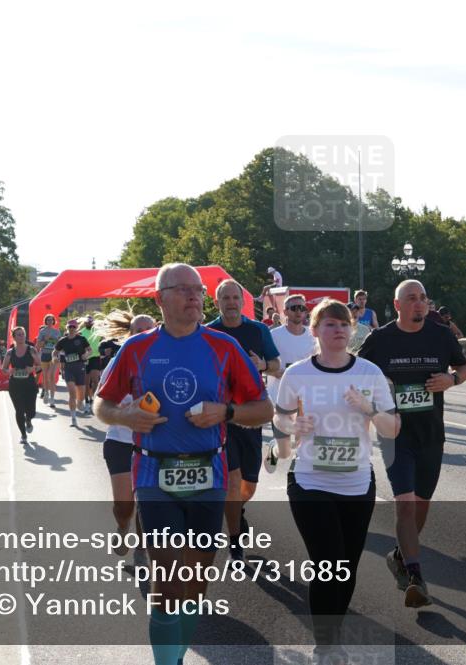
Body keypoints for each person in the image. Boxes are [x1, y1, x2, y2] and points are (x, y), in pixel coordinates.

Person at [94, 263, 271, 665]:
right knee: (167, 578)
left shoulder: (224, 348)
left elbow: (263, 409)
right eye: (183, 289)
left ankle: (173, 651)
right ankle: (168, 662)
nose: (195, 296)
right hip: (155, 474)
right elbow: (102, 404)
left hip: (209, 475)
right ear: (160, 298)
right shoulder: (136, 348)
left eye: (198, 290)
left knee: (195, 584)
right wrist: (126, 417)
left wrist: (224, 412)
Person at [271, 299, 400, 664]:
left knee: (345, 569)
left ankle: (333, 633)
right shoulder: (297, 373)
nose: (339, 330)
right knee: (328, 562)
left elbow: (393, 428)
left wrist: (369, 409)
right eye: (329, 324)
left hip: (356, 483)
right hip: (310, 480)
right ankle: (326, 645)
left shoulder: (369, 372)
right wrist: (293, 426)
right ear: (315, 331)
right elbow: (279, 418)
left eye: (344, 324)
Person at [358, 280, 466, 608]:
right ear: (398, 305)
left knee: (421, 504)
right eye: (412, 299)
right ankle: (415, 575)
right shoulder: (379, 340)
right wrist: (379, 388)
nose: (420, 304)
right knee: (405, 503)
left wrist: (452, 379)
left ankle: (399, 555)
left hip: (431, 433)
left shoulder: (440, 335)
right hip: (396, 435)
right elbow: (360, 373)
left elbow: (462, 367)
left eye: (423, 298)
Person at [206, 279, 281, 560]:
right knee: (232, 480)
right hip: (221, 415)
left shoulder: (258, 330)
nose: (231, 302)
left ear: (242, 300)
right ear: (217, 303)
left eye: (235, 297)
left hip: (251, 413)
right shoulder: (208, 332)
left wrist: (261, 364)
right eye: (224, 298)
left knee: (248, 484)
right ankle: (235, 540)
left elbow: (276, 366)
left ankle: (237, 512)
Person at [96, 310, 157, 559]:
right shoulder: (117, 363)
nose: (143, 336)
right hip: (121, 441)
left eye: (148, 331)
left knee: (147, 501)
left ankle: (142, 547)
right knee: (124, 506)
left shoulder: (166, 361)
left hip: (153, 443)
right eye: (137, 331)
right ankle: (123, 527)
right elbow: (103, 403)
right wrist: (126, 410)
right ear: (129, 336)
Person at [268, 294, 316, 404]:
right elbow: (263, 364)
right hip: (279, 396)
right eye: (294, 308)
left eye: (302, 308)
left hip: (305, 398)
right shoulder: (273, 335)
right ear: (285, 312)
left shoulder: (313, 335)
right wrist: (274, 372)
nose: (298, 311)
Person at [2, 326, 40, 444]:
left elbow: (39, 366)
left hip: (29, 384)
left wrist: (32, 368)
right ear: (14, 337)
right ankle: (23, 435)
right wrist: (9, 371)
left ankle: (28, 419)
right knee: (19, 410)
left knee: (31, 411)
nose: (21, 336)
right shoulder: (10, 352)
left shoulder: (32, 350)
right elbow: (3, 369)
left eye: (23, 334)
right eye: (18, 334)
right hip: (15, 385)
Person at [54, 319, 91, 427]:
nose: (71, 329)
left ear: (76, 328)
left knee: (81, 396)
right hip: (69, 368)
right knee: (72, 393)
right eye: (70, 327)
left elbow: (90, 350)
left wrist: (86, 355)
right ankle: (73, 418)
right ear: (67, 328)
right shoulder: (63, 340)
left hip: (80, 368)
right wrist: (54, 357)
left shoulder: (82, 339)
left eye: (73, 327)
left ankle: (80, 402)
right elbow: (55, 352)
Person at [36, 314, 61, 406]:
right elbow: (38, 345)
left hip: (53, 355)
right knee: (46, 377)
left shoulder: (57, 331)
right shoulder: (42, 331)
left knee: (52, 377)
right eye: (48, 320)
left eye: (51, 320)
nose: (50, 321)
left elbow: (59, 345)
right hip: (45, 355)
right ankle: (46, 392)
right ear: (45, 321)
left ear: (54, 321)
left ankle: (52, 398)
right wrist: (45, 340)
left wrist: (57, 342)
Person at [80, 315, 103, 415]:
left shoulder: (98, 331)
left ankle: (94, 400)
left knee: (96, 381)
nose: (89, 323)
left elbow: (104, 339)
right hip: (85, 358)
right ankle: (87, 401)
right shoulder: (81, 332)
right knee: (86, 382)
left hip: (95, 357)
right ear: (85, 323)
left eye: (91, 322)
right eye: (88, 322)